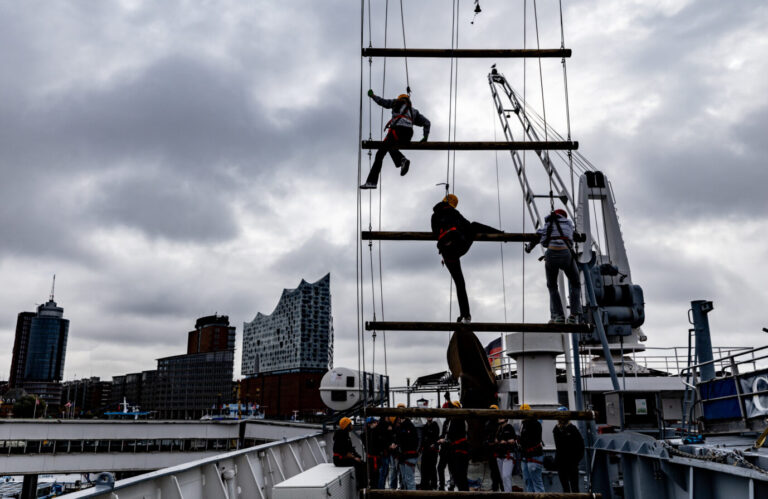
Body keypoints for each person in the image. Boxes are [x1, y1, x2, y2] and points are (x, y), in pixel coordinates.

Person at [431, 194, 503, 323]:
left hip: (447, 254)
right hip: (458, 246)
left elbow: (435, 233)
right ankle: (501, 234)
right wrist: (499, 234)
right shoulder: (454, 212)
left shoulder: (434, 215)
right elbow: (467, 225)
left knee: (459, 283)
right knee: (474, 225)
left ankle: (465, 315)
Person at [361, 91, 431, 189]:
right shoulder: (413, 111)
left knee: (380, 154)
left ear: (400, 99)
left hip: (397, 131)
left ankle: (372, 182)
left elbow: (382, 102)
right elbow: (427, 122)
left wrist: (373, 96)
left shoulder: (396, 103)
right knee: (390, 147)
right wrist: (425, 136)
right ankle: (402, 160)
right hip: (408, 134)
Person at [525, 209, 582, 324]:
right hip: (566, 254)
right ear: (564, 217)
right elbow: (575, 235)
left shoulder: (548, 224)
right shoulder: (569, 224)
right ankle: (573, 316)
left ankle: (559, 316)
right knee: (575, 283)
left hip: (551, 254)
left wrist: (528, 248)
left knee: (552, 286)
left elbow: (537, 237)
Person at [439, 400, 469, 491]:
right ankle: (444, 486)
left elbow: (454, 434)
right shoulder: (448, 422)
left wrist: (446, 440)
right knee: (452, 472)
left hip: (459, 451)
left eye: (452, 408)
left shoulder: (460, 419)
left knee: (460, 475)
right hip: (451, 450)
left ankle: (463, 491)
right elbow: (447, 434)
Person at [553, 407, 585, 493]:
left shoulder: (572, 429)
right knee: (565, 488)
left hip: (572, 463)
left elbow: (581, 446)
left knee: (574, 487)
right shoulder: (556, 429)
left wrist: (576, 460)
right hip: (561, 463)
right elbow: (558, 447)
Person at [333, 417, 366, 490]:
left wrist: (357, 456)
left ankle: (362, 485)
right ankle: (361, 486)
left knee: (362, 463)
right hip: (340, 460)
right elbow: (343, 452)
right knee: (359, 465)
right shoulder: (342, 436)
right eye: (350, 424)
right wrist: (354, 458)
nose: (352, 425)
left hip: (343, 458)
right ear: (347, 425)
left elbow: (350, 449)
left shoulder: (345, 435)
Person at [519, 404, 545, 493]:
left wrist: (519, 440)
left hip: (534, 456)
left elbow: (530, 440)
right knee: (528, 482)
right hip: (526, 456)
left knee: (536, 482)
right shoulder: (523, 424)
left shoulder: (535, 424)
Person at [394, 406, 420, 490]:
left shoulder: (406, 426)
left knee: (408, 479)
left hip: (407, 456)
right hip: (405, 456)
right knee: (406, 479)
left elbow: (404, 441)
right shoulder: (406, 427)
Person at [495, 413, 517, 492]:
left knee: (506, 476)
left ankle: (508, 494)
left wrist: (505, 442)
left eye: (501, 418)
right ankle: (505, 493)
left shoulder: (509, 428)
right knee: (502, 478)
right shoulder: (499, 429)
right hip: (500, 456)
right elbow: (496, 440)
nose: (499, 419)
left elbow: (513, 440)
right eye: (499, 418)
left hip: (507, 455)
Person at [419, 413, 441, 490]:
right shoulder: (425, 427)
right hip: (425, 451)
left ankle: (434, 484)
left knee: (432, 468)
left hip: (433, 451)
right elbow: (422, 439)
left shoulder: (435, 426)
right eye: (428, 416)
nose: (429, 417)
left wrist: (434, 444)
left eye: (430, 416)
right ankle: (425, 484)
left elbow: (436, 437)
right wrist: (420, 450)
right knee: (424, 468)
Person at [485, 404, 503, 491]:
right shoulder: (489, 423)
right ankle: (495, 486)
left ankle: (500, 486)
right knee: (493, 470)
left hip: (497, 450)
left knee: (498, 470)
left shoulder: (499, 423)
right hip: (491, 450)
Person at [437, 393, 453, 490]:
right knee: (440, 468)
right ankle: (442, 485)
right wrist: (439, 439)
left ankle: (452, 484)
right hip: (444, 450)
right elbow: (443, 434)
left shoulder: (454, 423)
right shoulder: (446, 422)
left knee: (451, 469)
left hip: (450, 449)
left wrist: (448, 399)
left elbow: (454, 437)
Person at [363, 417, 383, 489]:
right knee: (374, 477)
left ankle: (374, 490)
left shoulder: (368, 433)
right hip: (373, 459)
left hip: (372, 459)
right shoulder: (371, 433)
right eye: (374, 423)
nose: (376, 424)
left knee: (373, 477)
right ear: (369, 424)